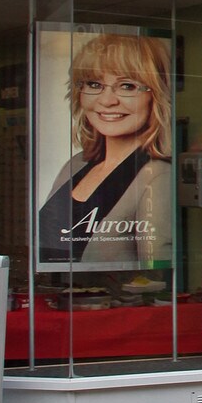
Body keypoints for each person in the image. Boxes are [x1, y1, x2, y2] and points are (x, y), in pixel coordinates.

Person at [38, 32, 173, 267]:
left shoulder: (158, 176)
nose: (107, 100)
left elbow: (157, 274)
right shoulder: (75, 165)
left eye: (127, 86)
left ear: (157, 96)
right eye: (94, 84)